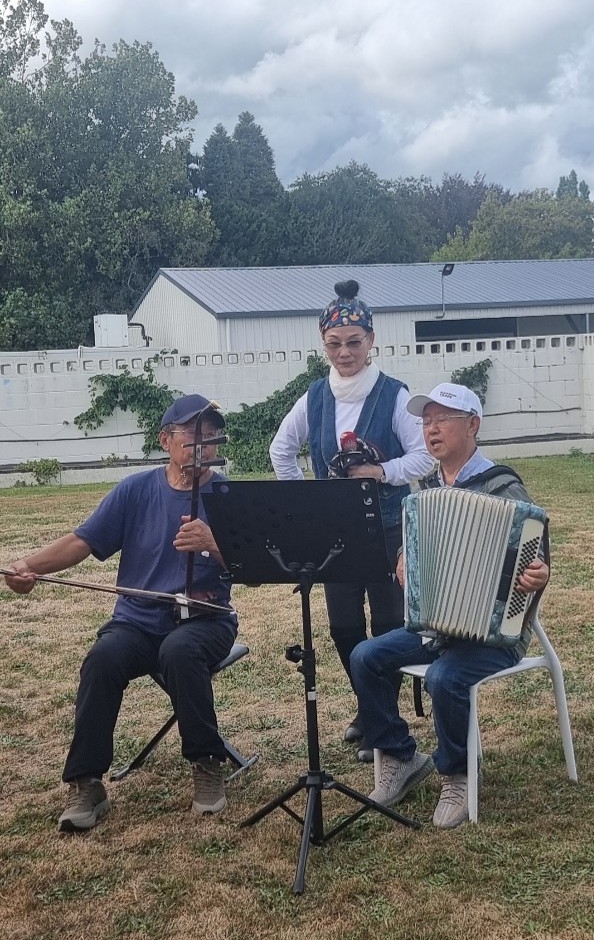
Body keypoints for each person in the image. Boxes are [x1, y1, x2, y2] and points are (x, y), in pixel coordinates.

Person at [3, 394, 238, 832]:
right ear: (165, 439)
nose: (202, 443)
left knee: (180, 652)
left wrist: (213, 543)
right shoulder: (135, 489)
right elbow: (81, 542)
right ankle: (86, 782)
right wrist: (28, 567)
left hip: (206, 620)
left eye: (210, 434)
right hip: (137, 620)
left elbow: (257, 566)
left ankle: (206, 762)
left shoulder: (227, 495)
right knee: (103, 659)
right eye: (192, 433)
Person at [349, 382, 550, 829]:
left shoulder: (503, 484)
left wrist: (537, 575)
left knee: (444, 678)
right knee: (365, 657)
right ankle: (401, 756)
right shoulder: (424, 492)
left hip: (494, 633)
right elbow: (413, 552)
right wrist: (405, 561)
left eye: (443, 419)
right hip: (437, 627)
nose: (432, 429)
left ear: (473, 425)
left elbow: (536, 560)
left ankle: (456, 772)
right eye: (426, 421)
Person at [269, 280, 433, 760]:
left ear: (371, 341)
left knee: (387, 624)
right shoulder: (316, 397)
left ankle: (381, 718)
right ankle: (371, 707)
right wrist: (308, 502)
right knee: (343, 626)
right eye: (335, 344)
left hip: (387, 526)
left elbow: (423, 456)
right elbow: (281, 450)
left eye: (354, 342)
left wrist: (381, 471)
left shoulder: (395, 395)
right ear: (325, 345)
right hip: (336, 534)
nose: (345, 352)